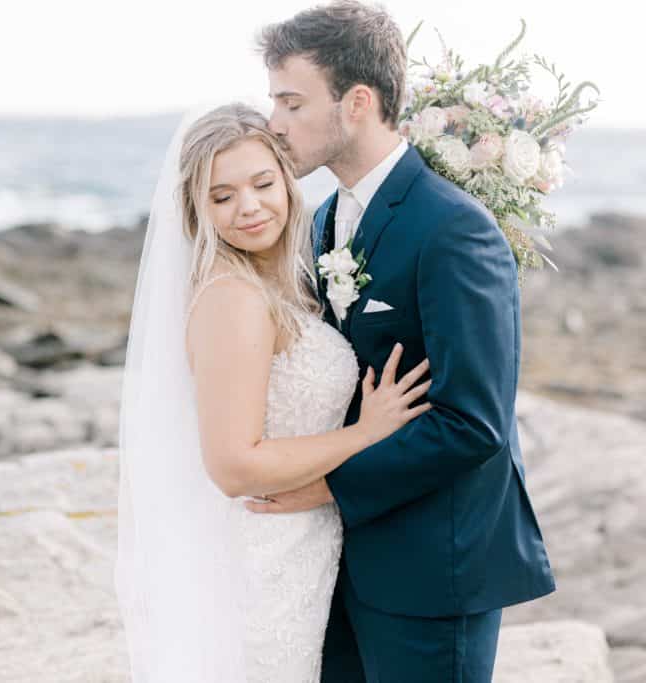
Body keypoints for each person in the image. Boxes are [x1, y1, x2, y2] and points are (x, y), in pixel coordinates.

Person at [243, 1, 556, 681]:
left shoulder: (455, 231)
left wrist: (324, 484)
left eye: (292, 103)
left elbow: (473, 424)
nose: (275, 124)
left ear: (357, 103)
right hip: (336, 568)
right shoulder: (323, 217)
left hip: (432, 574)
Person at [115, 100, 431, 682]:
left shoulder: (278, 283)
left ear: (287, 182)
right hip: (258, 567)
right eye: (222, 196)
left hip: (298, 556)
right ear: (196, 210)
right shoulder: (232, 298)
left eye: (262, 183)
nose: (250, 207)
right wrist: (364, 434)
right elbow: (235, 465)